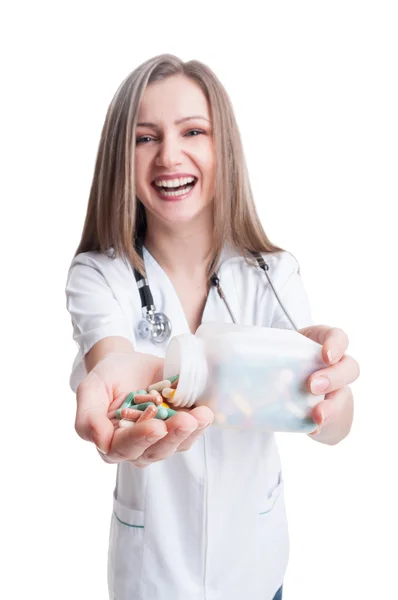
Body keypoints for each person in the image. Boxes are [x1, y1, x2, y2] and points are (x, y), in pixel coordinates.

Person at [65, 54, 359, 600]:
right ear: (119, 159)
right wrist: (119, 395)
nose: (169, 155)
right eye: (144, 137)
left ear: (223, 148)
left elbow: (332, 422)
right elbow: (111, 361)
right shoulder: (99, 274)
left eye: (193, 131)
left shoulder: (272, 273)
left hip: (254, 567)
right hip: (152, 575)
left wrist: (329, 394)